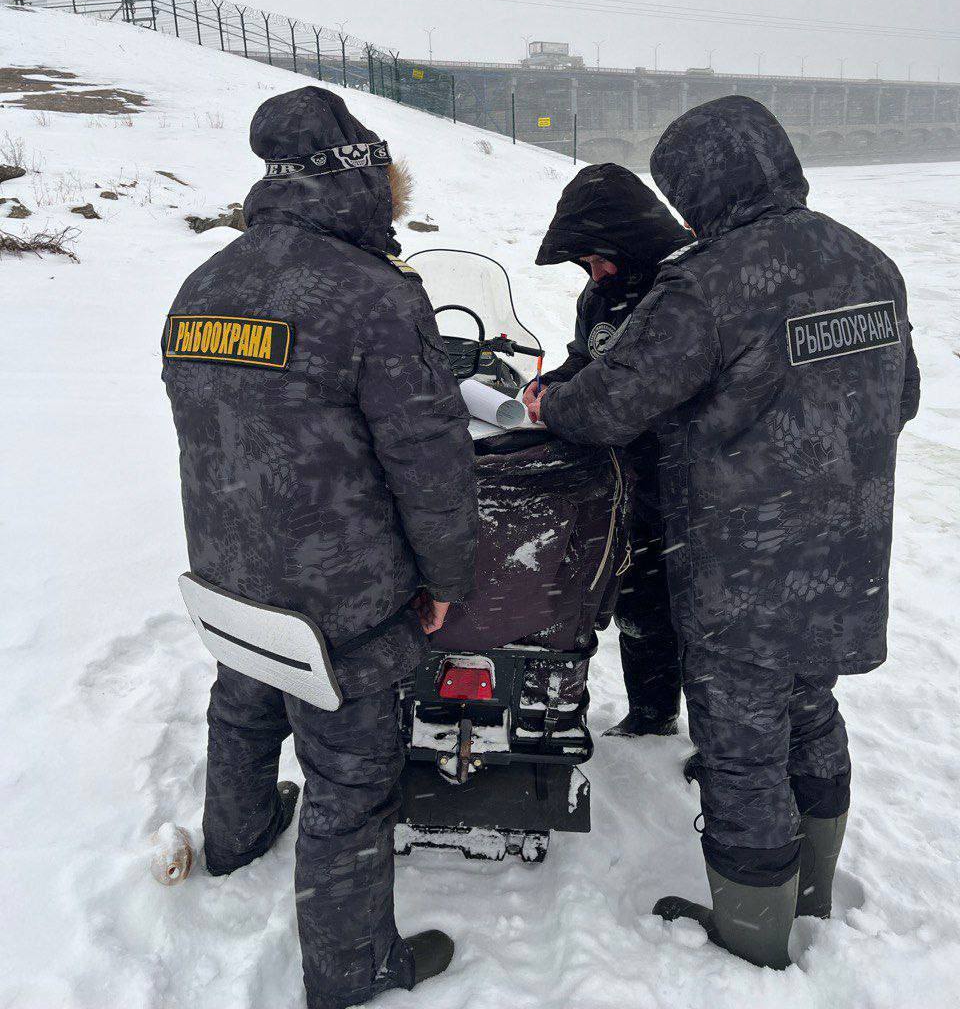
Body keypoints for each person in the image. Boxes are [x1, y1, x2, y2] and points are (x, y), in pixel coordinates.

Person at [529, 97, 920, 969]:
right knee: (810, 707)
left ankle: (753, 932)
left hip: (742, 560)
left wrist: (546, 402)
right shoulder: (869, 261)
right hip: (847, 549)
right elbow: (902, 397)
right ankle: (812, 888)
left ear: (700, 186)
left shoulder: (709, 282)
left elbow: (610, 406)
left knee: (740, 747)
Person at [161, 86, 478, 1008]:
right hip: (342, 599)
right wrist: (447, 576)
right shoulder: (375, 295)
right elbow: (430, 457)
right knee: (351, 777)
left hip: (230, 570)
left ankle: (237, 837)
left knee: (244, 702)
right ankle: (351, 969)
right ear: (364, 180)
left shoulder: (203, 283)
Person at [525, 163, 689, 736]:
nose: (596, 273)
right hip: (623, 473)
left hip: (686, 478)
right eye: (587, 264)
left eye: (600, 259)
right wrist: (552, 384)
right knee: (638, 602)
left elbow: (642, 390)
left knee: (696, 614)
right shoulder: (600, 293)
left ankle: (722, 742)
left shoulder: (680, 293)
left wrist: (570, 403)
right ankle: (651, 716)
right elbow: (587, 357)